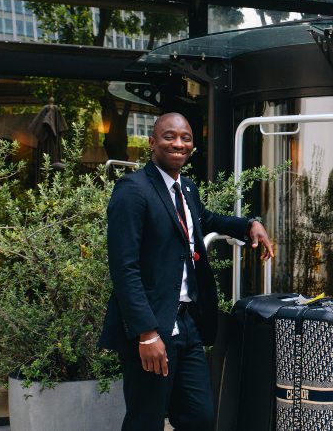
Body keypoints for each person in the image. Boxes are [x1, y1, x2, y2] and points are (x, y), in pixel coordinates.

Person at [98, 112, 274, 431]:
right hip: (152, 327)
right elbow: (124, 269)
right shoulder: (132, 190)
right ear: (152, 142)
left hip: (188, 322)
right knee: (146, 420)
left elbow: (203, 219)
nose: (179, 143)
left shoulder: (186, 188)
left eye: (186, 138)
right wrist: (146, 332)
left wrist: (249, 224)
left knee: (199, 417)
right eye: (169, 136)